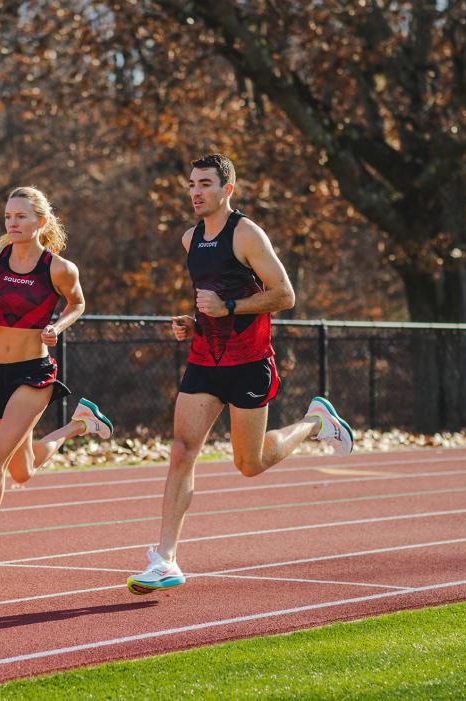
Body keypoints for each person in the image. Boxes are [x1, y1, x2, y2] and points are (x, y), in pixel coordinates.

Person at [126, 154, 353, 595]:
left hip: (248, 362)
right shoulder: (191, 239)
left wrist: (228, 308)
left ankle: (315, 422)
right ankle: (166, 558)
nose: (195, 192)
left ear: (227, 190)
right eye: (191, 184)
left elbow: (285, 296)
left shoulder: (246, 233)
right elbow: (208, 300)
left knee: (249, 464)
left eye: (205, 184)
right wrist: (193, 323)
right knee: (181, 450)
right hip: (204, 359)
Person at [0, 186, 113, 591]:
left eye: (20, 217)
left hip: (34, 372)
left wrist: (57, 327)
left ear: (40, 222)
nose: (12, 223)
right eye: (8, 217)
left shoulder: (59, 268)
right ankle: (80, 425)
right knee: (22, 470)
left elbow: (78, 304)